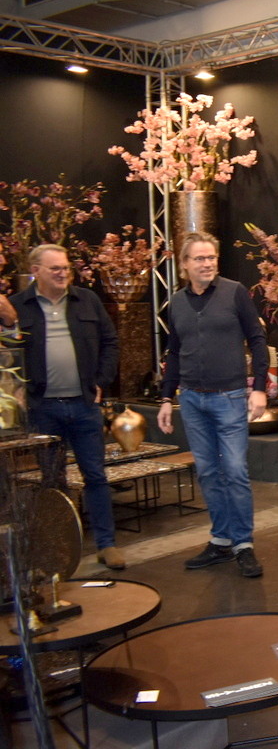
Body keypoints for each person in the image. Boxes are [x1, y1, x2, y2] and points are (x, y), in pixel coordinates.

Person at [0, 244, 125, 570]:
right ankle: (60, 547)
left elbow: (111, 342)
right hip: (43, 408)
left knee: (95, 476)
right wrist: (10, 327)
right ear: (36, 271)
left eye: (66, 267)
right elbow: (9, 354)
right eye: (54, 268)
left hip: (84, 405)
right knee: (53, 480)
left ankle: (107, 545)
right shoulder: (18, 306)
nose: (62, 273)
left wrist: (101, 380)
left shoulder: (87, 300)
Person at [157, 232, 268, 578]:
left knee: (234, 471)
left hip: (229, 397)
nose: (207, 264)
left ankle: (243, 544)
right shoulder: (176, 303)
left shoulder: (234, 292)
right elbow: (174, 353)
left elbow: (257, 340)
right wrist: (166, 398)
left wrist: (259, 388)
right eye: (200, 258)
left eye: (212, 257)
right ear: (184, 264)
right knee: (207, 472)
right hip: (191, 399)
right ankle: (221, 540)